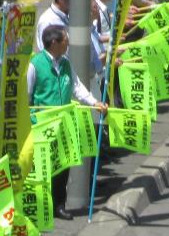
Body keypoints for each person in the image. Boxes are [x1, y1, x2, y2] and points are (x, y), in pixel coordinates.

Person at [26, 25, 108, 220]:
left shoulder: (65, 63)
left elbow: (77, 87)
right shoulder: (35, 65)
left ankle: (59, 204)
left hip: (63, 123)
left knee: (63, 164)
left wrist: (94, 102)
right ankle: (42, 206)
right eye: (65, 39)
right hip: (42, 125)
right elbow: (27, 96)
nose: (68, 42)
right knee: (45, 166)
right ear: (54, 42)